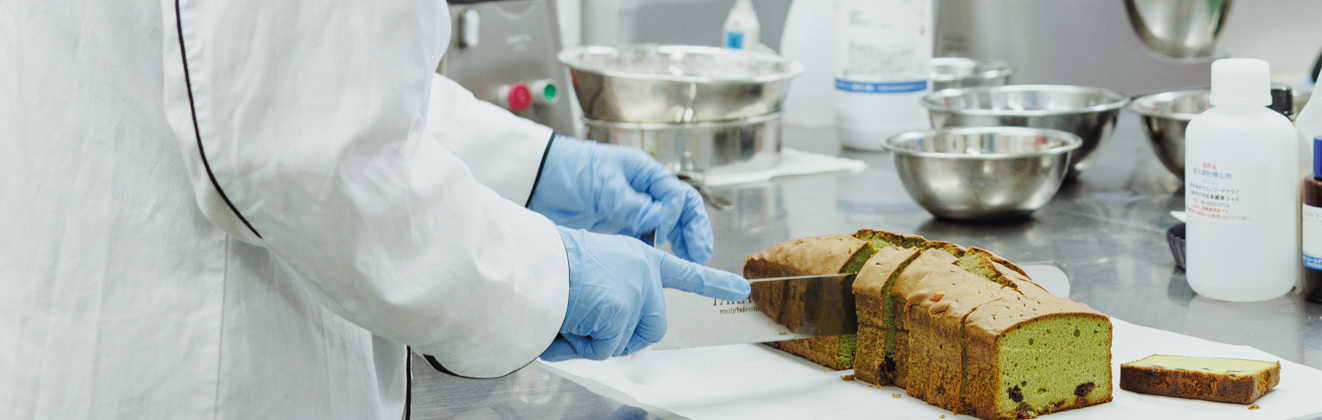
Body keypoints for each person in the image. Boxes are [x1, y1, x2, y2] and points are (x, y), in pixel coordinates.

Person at [0, 1, 750, 419]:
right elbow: (304, 156)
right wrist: (552, 275)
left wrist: (536, 163)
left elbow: (299, 75)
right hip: (199, 369)